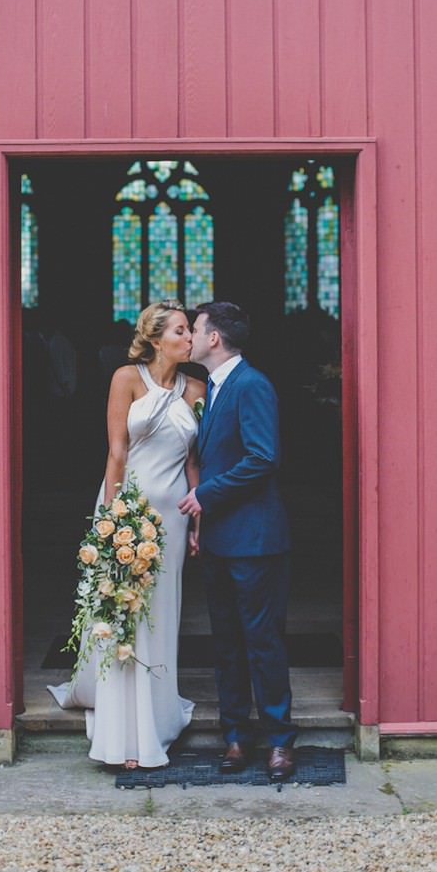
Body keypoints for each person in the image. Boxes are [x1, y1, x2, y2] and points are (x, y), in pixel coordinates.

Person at [50, 300, 206, 768]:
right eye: (181, 331)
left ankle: (155, 720)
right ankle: (122, 731)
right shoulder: (126, 378)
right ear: (157, 338)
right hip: (127, 508)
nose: (190, 338)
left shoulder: (196, 386)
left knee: (161, 615)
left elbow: (194, 461)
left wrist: (200, 519)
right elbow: (116, 451)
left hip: (173, 517)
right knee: (122, 613)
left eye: (190, 331)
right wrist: (113, 515)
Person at [178, 301, 298, 782]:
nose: (190, 337)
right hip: (220, 541)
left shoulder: (252, 384)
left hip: (256, 539)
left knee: (262, 642)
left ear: (214, 339)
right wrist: (201, 527)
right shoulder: (212, 387)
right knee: (226, 642)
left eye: (196, 328)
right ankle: (234, 735)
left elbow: (262, 457)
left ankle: (279, 742)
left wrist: (204, 493)